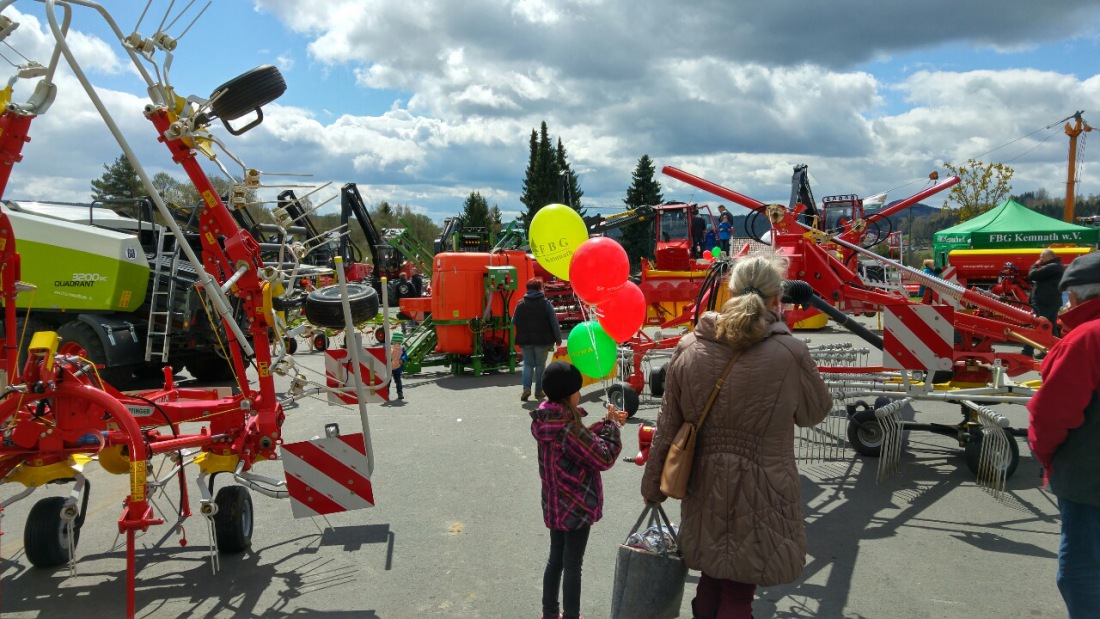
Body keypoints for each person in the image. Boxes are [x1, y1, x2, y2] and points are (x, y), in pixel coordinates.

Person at [640, 254, 832, 619]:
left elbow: (667, 427)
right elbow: (814, 412)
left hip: (703, 485)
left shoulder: (689, 348)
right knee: (740, 591)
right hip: (764, 487)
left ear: (728, 294)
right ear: (778, 300)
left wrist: (653, 487)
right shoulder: (790, 352)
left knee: (712, 578)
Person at [1027, 250, 1100, 618]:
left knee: (1082, 578)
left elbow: (1050, 416)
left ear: (1081, 294)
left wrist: (1046, 457)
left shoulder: (1086, 339)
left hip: (1090, 485)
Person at [531, 361, 626, 619]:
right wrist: (612, 428)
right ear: (568, 394)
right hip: (576, 506)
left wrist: (604, 422)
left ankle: (550, 614)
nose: (580, 394)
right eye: (577, 390)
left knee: (556, 560)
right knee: (573, 564)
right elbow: (603, 456)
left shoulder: (549, 420)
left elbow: (582, 443)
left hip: (555, 504)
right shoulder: (567, 428)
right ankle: (571, 616)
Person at [512, 277, 562, 401]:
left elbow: (513, 321)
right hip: (543, 340)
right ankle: (538, 391)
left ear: (527, 289)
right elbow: (554, 323)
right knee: (540, 365)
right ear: (540, 289)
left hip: (525, 340)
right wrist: (558, 338)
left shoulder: (520, 304)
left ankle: (526, 388)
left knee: (528, 364)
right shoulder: (546, 303)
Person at [1022, 249, 1065, 358]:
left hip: (1044, 301)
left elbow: (1032, 275)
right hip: (1051, 300)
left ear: (1049, 257)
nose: (1040, 259)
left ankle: (1027, 351)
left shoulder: (1052, 266)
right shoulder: (1056, 266)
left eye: (1042, 257)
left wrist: (1035, 265)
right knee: (1051, 327)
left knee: (1036, 325)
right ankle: (1052, 351)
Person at [388, 331, 407, 400]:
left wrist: (402, 359)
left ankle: (400, 393)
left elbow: (405, 355)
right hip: (389, 367)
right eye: (396, 342)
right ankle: (386, 394)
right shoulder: (388, 346)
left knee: (398, 381)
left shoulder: (402, 348)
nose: (397, 344)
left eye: (399, 343)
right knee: (387, 382)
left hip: (397, 367)